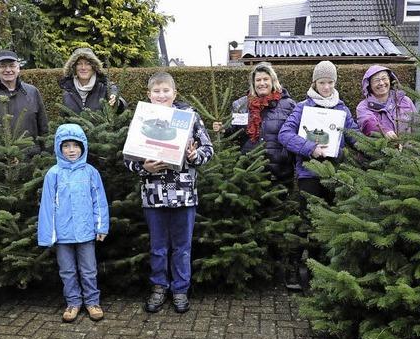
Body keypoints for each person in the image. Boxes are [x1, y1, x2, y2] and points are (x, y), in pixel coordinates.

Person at [124, 72, 213, 314]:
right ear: (149, 95)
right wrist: (143, 167)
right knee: (158, 247)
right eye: (156, 91)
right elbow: (128, 157)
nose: (161, 95)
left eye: (166, 91)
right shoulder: (142, 119)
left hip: (184, 195)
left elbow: (208, 148)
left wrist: (195, 156)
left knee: (182, 247)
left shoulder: (189, 118)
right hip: (153, 195)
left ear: (174, 93)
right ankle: (159, 287)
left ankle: (181, 289)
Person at [37, 123, 109, 322]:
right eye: (66, 146)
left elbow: (99, 201)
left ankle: (92, 302)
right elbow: (47, 207)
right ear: (59, 147)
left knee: (89, 269)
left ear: (83, 147)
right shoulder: (53, 174)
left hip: (86, 232)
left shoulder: (90, 172)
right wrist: (48, 235)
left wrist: (101, 226)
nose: (71, 150)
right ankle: (73, 303)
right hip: (62, 234)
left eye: (75, 146)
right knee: (67, 270)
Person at [279, 60, 360, 203]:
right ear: (314, 83)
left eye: (330, 82)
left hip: (336, 173)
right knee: (309, 216)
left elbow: (355, 136)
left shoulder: (342, 109)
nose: (326, 87)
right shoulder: (302, 108)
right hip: (308, 173)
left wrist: (377, 146)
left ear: (335, 82)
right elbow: (284, 134)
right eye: (322, 82)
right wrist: (310, 148)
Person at [212, 61, 296, 184]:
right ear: (253, 83)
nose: (262, 83)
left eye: (265, 79)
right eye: (258, 80)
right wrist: (223, 129)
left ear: (273, 81)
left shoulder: (288, 104)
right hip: (249, 171)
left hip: (280, 172)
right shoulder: (241, 105)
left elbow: (295, 134)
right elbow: (235, 131)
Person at [0, 50, 48, 149]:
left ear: (18, 68)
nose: (8, 70)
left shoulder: (32, 92)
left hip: (31, 159)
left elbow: (43, 128)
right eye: (3, 66)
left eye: (12, 65)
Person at [356, 65, 416, 139]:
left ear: (390, 80)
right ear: (369, 85)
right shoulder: (364, 107)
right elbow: (368, 123)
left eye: (384, 78)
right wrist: (384, 131)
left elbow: (418, 126)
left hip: (409, 149)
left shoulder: (405, 100)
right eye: (376, 80)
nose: (381, 83)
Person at [59, 47, 126, 114]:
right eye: (79, 64)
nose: (83, 68)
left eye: (88, 64)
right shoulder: (68, 90)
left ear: (94, 67)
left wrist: (117, 102)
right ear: (74, 67)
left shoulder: (104, 87)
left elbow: (122, 108)